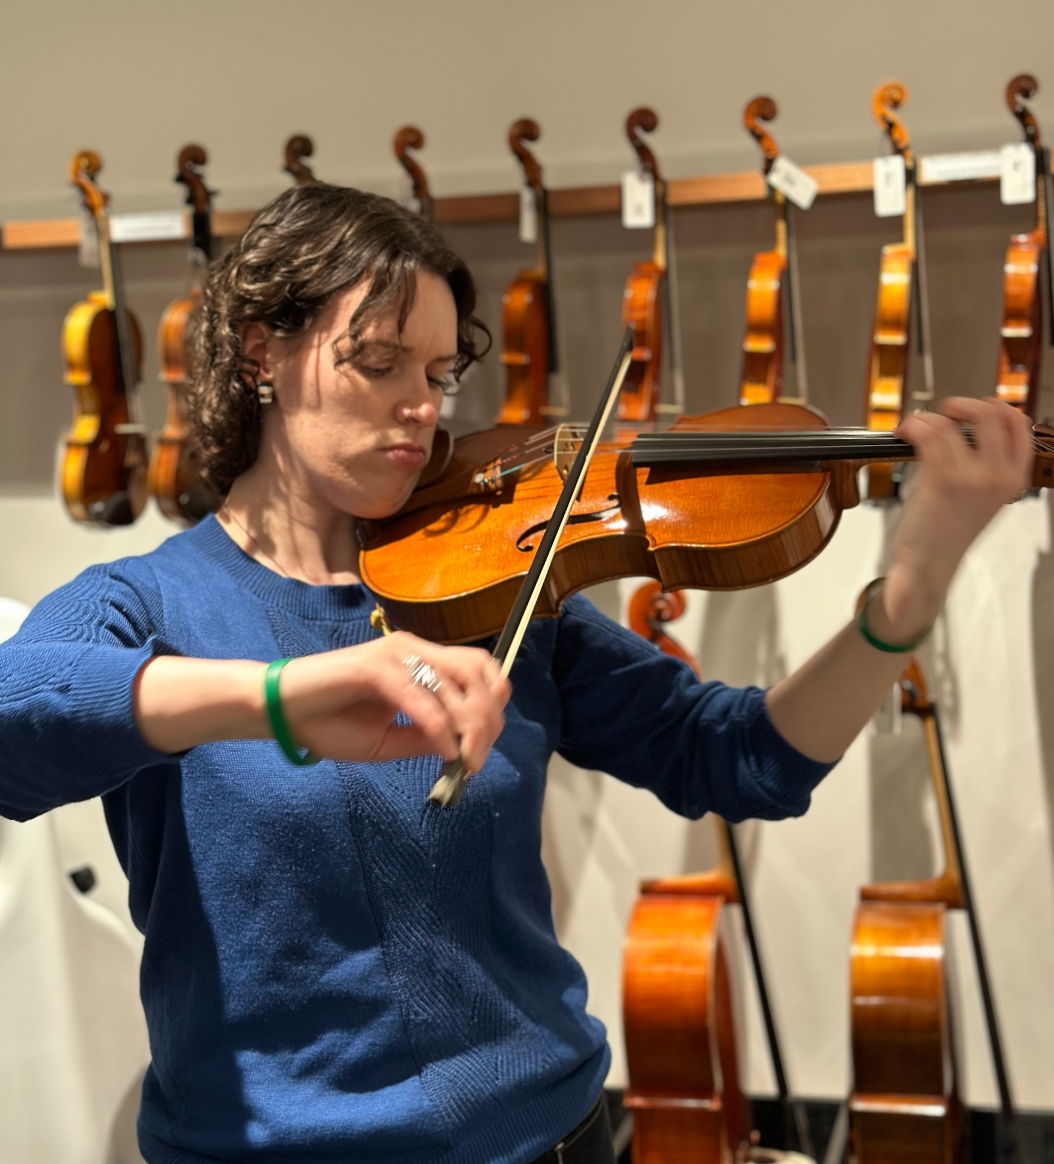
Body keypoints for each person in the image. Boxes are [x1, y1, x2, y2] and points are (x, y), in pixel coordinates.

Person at [0, 183, 1032, 1164]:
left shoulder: (487, 587)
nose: (422, 408)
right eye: (378, 362)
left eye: (440, 373)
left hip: (549, 1136)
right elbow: (16, 723)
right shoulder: (148, 603)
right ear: (265, 352)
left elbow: (742, 759)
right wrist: (275, 696)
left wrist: (910, 589)